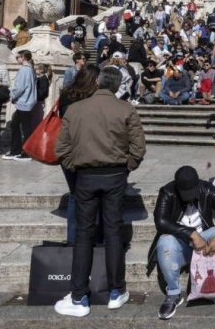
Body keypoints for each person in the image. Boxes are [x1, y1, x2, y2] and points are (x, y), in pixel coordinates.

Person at [54, 66, 146, 317]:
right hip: (116, 175)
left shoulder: (75, 109)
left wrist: (76, 167)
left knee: (84, 234)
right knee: (114, 231)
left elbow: (61, 148)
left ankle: (79, 296)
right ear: (117, 87)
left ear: (98, 83)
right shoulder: (127, 109)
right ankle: (116, 291)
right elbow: (138, 147)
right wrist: (126, 168)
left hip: (85, 176)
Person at [148, 166, 215, 319]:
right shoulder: (168, 192)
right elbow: (161, 221)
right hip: (181, 244)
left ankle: (213, 285)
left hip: (205, 245)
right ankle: (174, 294)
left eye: (192, 192)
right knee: (164, 241)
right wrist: (191, 233)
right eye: (185, 193)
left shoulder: (207, 189)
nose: (189, 197)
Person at [57, 65, 101, 245]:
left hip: (68, 151)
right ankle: (94, 239)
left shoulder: (67, 94)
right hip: (88, 151)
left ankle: (73, 240)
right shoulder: (95, 98)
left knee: (75, 195)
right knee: (93, 196)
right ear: (94, 80)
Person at [3, 50, 37, 161]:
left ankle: (25, 152)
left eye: (18, 57)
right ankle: (16, 150)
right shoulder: (31, 69)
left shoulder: (24, 70)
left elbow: (20, 87)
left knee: (24, 128)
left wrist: (12, 95)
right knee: (16, 125)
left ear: (23, 57)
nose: (17, 59)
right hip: (27, 103)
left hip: (24, 103)